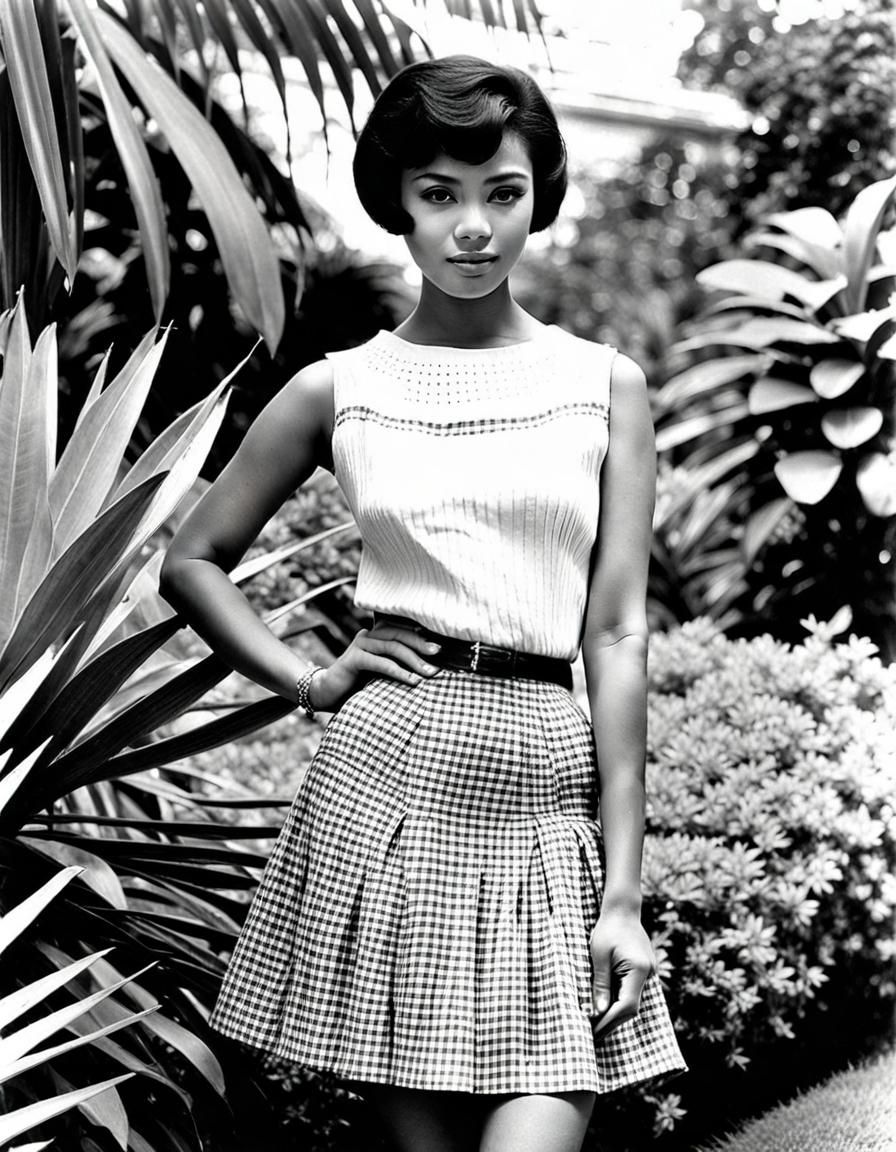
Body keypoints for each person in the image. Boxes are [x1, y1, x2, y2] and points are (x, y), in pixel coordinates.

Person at [159, 54, 686, 1152]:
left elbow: (618, 631)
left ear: (537, 192)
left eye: (500, 192)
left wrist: (623, 894)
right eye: (438, 195)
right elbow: (193, 558)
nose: (472, 229)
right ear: (396, 199)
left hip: (542, 777)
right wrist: (310, 678)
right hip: (390, 774)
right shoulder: (337, 387)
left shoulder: (601, 384)